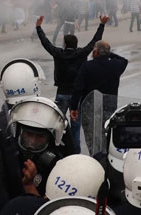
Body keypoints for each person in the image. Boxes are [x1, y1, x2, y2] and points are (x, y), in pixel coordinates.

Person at [36, 14, 109, 153]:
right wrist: (101, 25)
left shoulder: (58, 53)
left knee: (57, 125)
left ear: (65, 44)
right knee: (76, 126)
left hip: (62, 93)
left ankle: (55, 150)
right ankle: (75, 152)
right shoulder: (81, 53)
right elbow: (95, 40)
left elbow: (45, 43)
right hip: (77, 96)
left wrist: (38, 27)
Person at [69, 40, 128, 122]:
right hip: (109, 106)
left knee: (90, 132)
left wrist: (74, 107)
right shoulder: (116, 65)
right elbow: (124, 60)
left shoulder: (87, 66)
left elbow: (78, 88)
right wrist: (107, 53)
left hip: (90, 106)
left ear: (96, 52)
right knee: (106, 131)